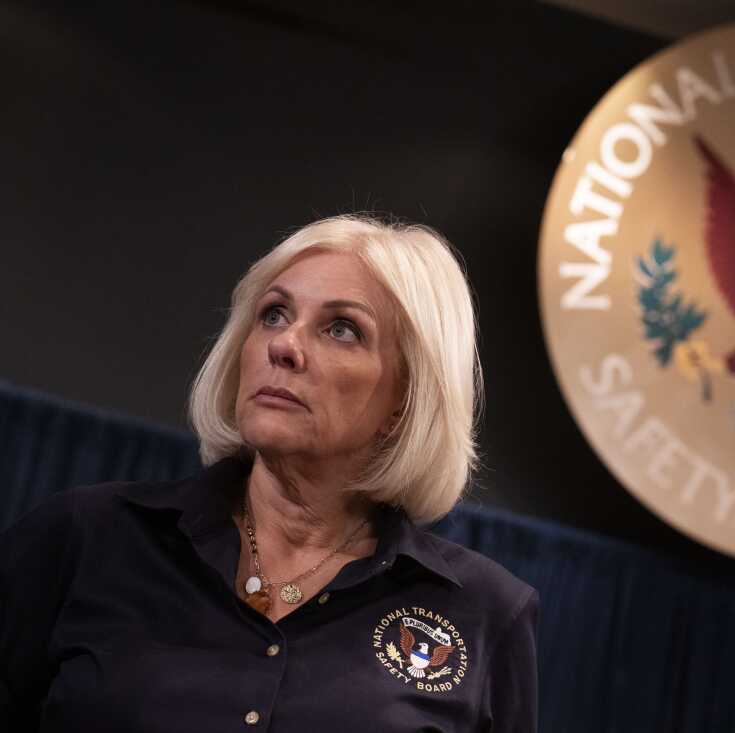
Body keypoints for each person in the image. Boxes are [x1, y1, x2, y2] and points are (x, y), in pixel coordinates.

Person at [0, 214, 539, 732]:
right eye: (274, 314)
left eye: (342, 329)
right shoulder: (87, 535)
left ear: (405, 400)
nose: (283, 345)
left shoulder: (485, 613)